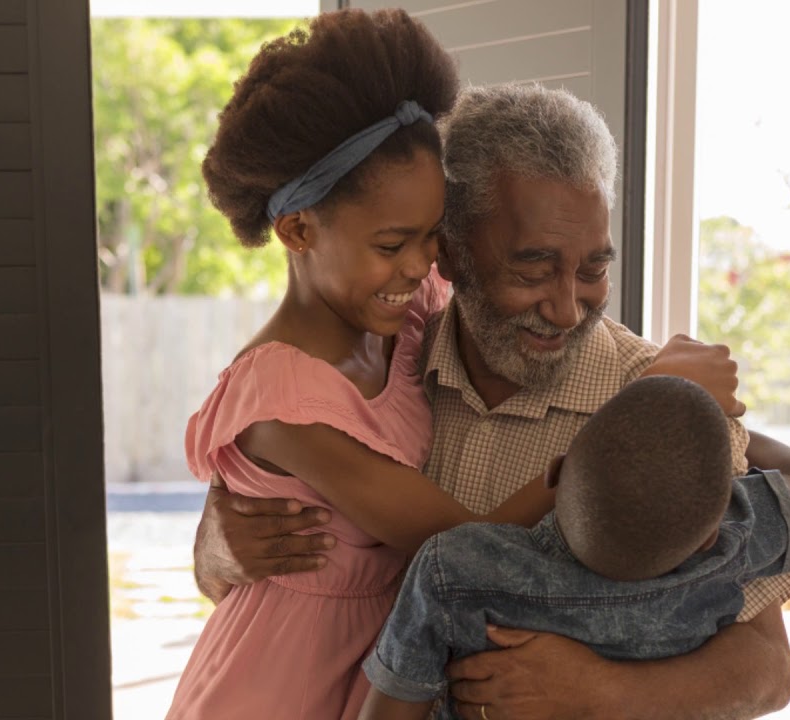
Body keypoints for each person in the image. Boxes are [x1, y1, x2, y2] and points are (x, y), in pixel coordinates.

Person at [193, 83, 790, 719]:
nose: (565, 307)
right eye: (531, 271)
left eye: (592, 270)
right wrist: (214, 552)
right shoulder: (395, 360)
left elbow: (767, 671)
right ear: (453, 255)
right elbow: (301, 539)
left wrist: (598, 692)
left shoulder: (660, 413)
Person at [165, 11, 558, 720]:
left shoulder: (404, 317)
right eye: (391, 243)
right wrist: (601, 451)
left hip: (381, 665)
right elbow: (458, 544)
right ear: (299, 230)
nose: (421, 263)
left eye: (432, 234)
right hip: (277, 686)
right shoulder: (284, 398)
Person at [357, 377, 790, 720]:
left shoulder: (455, 567)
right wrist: (720, 437)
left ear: (555, 473)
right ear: (708, 534)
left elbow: (391, 706)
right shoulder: (730, 547)